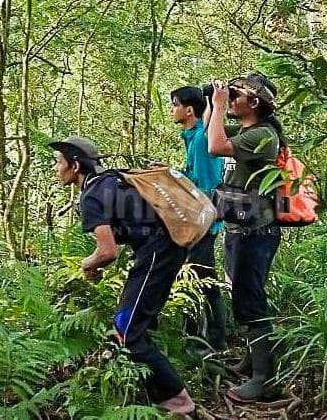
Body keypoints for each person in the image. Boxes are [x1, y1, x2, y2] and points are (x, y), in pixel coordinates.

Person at [49, 136, 195, 416]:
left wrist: (87, 264)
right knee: (139, 321)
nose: (56, 169)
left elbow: (107, 252)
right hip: (167, 247)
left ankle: (177, 401)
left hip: (158, 252)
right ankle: (145, 388)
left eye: (59, 163)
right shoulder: (111, 180)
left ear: (75, 166)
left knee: (125, 327)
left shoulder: (91, 196)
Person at [205, 73, 287, 402]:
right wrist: (217, 102)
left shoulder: (264, 136)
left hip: (257, 232)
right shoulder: (252, 131)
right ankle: (252, 361)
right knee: (243, 295)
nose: (233, 99)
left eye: (238, 95)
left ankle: (264, 379)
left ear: (254, 103)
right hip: (243, 229)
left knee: (251, 302)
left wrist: (221, 105)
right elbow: (214, 129)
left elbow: (214, 146)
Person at [170, 86, 227, 355]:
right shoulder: (192, 137)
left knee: (203, 281)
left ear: (189, 110)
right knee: (195, 279)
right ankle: (196, 338)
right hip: (194, 222)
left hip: (202, 223)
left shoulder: (202, 142)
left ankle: (212, 342)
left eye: (174, 104)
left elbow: (205, 188)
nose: (172, 110)